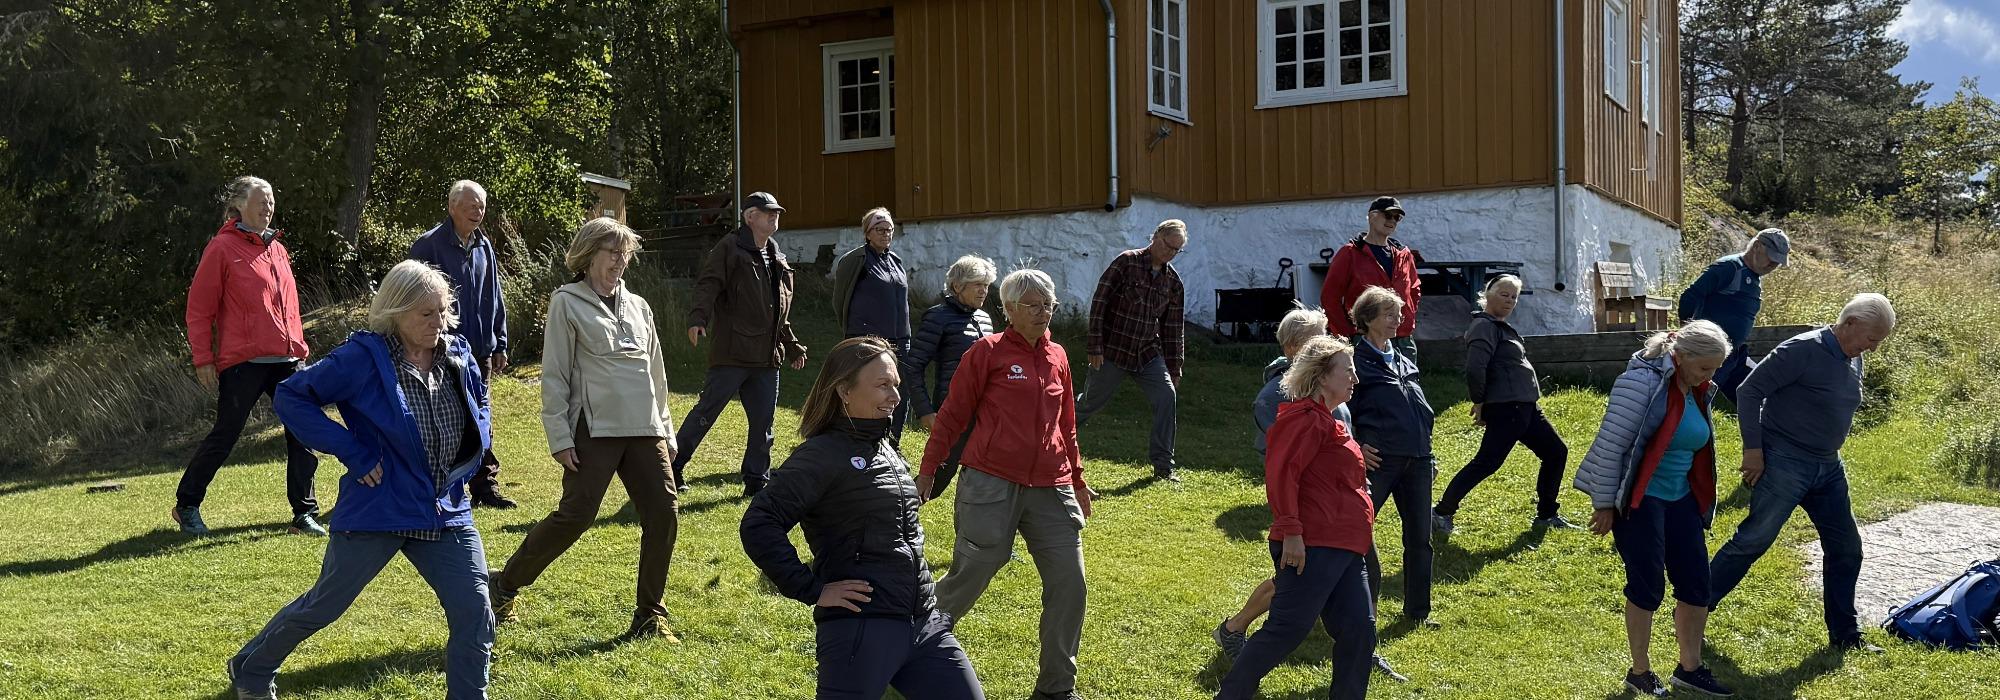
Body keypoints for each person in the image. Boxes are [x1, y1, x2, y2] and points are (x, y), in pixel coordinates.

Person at [234, 260, 495, 700]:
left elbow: (478, 399)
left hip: (445, 509)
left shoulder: (457, 351)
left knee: (475, 611)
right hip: (380, 506)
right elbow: (292, 396)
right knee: (325, 605)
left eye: (442, 311)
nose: (438, 322)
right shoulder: (361, 358)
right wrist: (352, 451)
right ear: (396, 312)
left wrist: (479, 436)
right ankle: (252, 671)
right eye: (425, 314)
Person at [740, 336, 985, 700]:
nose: (895, 396)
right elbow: (759, 524)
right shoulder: (820, 456)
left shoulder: (885, 447)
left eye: (896, 385)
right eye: (882, 385)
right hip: (862, 629)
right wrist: (812, 589)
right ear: (844, 391)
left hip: (924, 624)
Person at [491, 218, 682, 641]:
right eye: (613, 252)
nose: (620, 260)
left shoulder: (639, 306)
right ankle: (503, 585)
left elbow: (656, 374)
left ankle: (650, 615)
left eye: (625, 253)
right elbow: (555, 374)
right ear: (589, 254)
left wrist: (666, 431)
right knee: (576, 516)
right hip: (593, 429)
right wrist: (559, 436)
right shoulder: (567, 302)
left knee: (664, 513)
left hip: (645, 427)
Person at [916, 269, 1095, 700]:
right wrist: (928, 469)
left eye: (1048, 304)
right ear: (1009, 309)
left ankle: (1056, 689)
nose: (1043, 312)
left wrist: (1077, 479)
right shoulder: (987, 352)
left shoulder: (1058, 356)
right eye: (1032, 305)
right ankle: (909, 645)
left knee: (1070, 584)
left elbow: (1066, 424)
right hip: (991, 482)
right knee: (972, 573)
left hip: (1051, 485)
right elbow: (952, 415)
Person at [1706, 293, 1897, 654]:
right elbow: (1749, 391)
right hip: (1785, 461)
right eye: (1872, 339)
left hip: (1828, 466)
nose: (1873, 348)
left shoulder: (1852, 356)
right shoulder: (1802, 349)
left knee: (1846, 549)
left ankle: (1845, 634)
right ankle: (1694, 611)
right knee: (1754, 540)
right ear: (1850, 323)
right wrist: (1753, 451)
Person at [1218, 307, 1399, 680]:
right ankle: (1234, 648)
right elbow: (1283, 466)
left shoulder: (1333, 401)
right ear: (1296, 351)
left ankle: (1355, 663)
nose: (1326, 344)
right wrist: (1293, 529)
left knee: (1355, 610)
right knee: (1290, 610)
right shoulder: (1291, 403)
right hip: (1315, 525)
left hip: (1343, 525)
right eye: (1318, 338)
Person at [1570, 321, 1735, 698]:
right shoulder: (1640, 383)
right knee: (1647, 586)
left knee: (1697, 584)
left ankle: (1689, 669)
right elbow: (1611, 446)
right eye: (1705, 368)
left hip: (1681, 498)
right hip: (1640, 499)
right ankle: (1640, 672)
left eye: (1714, 369)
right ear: (1682, 356)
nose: (1709, 376)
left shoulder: (1695, 387)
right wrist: (1604, 504)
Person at [176, 175, 322, 537]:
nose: (268, 206)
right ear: (240, 205)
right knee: (226, 433)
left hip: (288, 359)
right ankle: (187, 505)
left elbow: (287, 306)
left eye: (271, 200)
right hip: (244, 362)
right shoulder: (221, 248)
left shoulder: (278, 249)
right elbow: (199, 309)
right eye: (261, 200)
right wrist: (203, 358)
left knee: (302, 431)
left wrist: (299, 346)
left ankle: (304, 513)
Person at [675, 191, 809, 496]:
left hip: (767, 357)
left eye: (776, 212)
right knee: (706, 413)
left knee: (763, 423)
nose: (775, 216)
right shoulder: (730, 247)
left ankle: (757, 481)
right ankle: (673, 466)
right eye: (768, 212)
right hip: (733, 352)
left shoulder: (776, 254)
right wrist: (698, 318)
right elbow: (708, 284)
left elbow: (777, 311)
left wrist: (791, 345)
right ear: (750, 217)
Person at [1433, 274, 1578, 534]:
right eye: (1504, 294)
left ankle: (1547, 514)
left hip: (1526, 406)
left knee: (1556, 452)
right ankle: (1441, 513)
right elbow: (1475, 368)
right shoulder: (1483, 326)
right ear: (1487, 294)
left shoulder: (1498, 326)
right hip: (1507, 407)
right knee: (1487, 462)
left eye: (1514, 296)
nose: (1510, 300)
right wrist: (1479, 401)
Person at [408, 179, 515, 509]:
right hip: (442, 351)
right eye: (472, 206)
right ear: (452, 207)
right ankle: (437, 486)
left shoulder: (484, 246)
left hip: (479, 351)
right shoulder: (428, 246)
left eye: (482, 206)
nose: (478, 212)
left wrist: (499, 342)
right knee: (444, 420)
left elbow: (494, 295)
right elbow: (412, 299)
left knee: (481, 417)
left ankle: (485, 486)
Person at [1349, 287, 1437, 647]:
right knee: (1355, 531)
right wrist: (1355, 445)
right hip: (1380, 460)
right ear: (1368, 319)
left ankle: (1418, 611)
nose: (1397, 320)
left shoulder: (1402, 358)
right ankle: (1351, 607)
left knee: (1420, 538)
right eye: (1389, 314)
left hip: (1418, 458)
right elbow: (1340, 409)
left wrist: (1429, 453)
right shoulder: (1354, 361)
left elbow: (1420, 409)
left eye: (1398, 314)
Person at [1078, 219, 1189, 482]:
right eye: (1168, 245)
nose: (1170, 253)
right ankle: (1050, 443)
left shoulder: (1173, 282)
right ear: (1156, 237)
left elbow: (1173, 329)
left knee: (1167, 397)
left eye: (1177, 250)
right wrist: (1095, 346)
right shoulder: (1126, 263)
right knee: (1089, 403)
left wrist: (1174, 368)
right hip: (1113, 350)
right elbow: (1100, 302)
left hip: (1147, 354)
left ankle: (1164, 466)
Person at [902, 254, 998, 499]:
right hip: (952, 409)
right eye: (978, 285)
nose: (984, 291)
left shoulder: (985, 318)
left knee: (984, 475)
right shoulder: (938, 316)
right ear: (957, 286)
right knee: (937, 476)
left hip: (985, 412)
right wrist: (925, 411)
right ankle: (893, 511)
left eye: (986, 285)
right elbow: (913, 366)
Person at [1677, 228, 1790, 403]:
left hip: (1735, 355)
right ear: (1757, 246)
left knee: (1761, 393)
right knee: (1696, 401)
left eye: (1778, 262)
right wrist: (1688, 337)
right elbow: (1690, 296)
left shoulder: (1754, 276)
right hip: (1712, 352)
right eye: (1772, 258)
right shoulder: (1730, 268)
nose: (1773, 265)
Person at [830, 207, 913, 439]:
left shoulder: (895, 261)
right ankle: (863, 438)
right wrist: (856, 333)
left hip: (900, 341)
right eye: (880, 229)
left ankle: (892, 443)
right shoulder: (855, 260)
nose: (886, 234)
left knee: (900, 393)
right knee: (870, 391)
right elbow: (840, 300)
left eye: (889, 229)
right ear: (867, 232)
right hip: (870, 341)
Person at [1321, 196, 1421, 357]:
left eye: (1397, 217)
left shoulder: (1404, 254)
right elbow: (1330, 297)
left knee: (1408, 375)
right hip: (1366, 338)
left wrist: (1408, 318)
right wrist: (1346, 334)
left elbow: (1414, 290)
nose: (1392, 221)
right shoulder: (1350, 253)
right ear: (1372, 216)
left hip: (1402, 338)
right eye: (1388, 215)